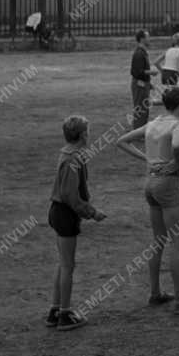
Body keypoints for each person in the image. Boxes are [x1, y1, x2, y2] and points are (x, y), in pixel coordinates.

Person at [116, 86, 179, 315]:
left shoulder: (154, 123)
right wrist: (176, 161)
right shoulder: (178, 124)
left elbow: (122, 141)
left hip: (150, 182)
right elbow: (177, 145)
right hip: (167, 185)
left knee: (158, 240)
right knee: (178, 243)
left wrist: (147, 158)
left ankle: (155, 293)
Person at [46, 115, 106, 331]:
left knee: (63, 264)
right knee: (68, 266)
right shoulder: (74, 160)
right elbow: (71, 196)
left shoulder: (67, 154)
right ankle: (65, 313)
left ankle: (55, 309)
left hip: (57, 211)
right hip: (65, 213)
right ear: (82, 135)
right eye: (88, 132)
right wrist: (92, 212)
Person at [130, 30, 158, 129]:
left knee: (144, 109)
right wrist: (152, 72)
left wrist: (149, 84)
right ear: (142, 39)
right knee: (141, 109)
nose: (149, 39)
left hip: (142, 84)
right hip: (139, 85)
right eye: (148, 37)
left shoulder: (142, 52)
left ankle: (140, 132)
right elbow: (137, 72)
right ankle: (137, 132)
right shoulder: (139, 53)